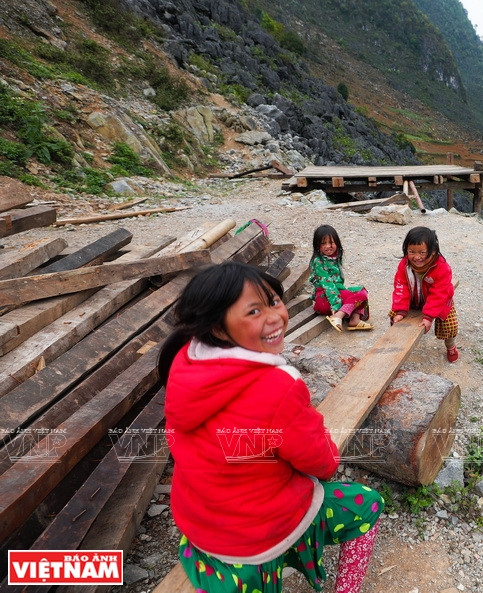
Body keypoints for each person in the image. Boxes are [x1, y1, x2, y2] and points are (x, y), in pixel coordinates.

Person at [158, 261, 383, 593]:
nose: (275, 316)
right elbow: (321, 463)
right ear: (219, 329)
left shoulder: (185, 361)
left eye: (273, 301)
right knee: (367, 504)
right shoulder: (278, 386)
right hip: (255, 537)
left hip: (199, 523)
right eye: (253, 312)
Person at [389, 226, 459, 362]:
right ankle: (397, 344)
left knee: (449, 324)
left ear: (433, 251)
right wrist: (400, 310)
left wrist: (428, 316)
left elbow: (439, 294)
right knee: (394, 316)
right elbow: (400, 287)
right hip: (414, 299)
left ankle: (450, 346)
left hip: (440, 300)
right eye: (411, 252)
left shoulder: (441, 267)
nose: (416, 257)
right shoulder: (404, 265)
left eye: (422, 252)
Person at [309, 225, 373, 332]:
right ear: (317, 246)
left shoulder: (335, 258)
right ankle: (338, 316)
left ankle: (354, 320)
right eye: (323, 243)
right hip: (325, 299)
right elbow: (328, 285)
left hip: (335, 294)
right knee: (359, 296)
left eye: (331, 242)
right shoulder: (318, 261)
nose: (328, 246)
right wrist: (335, 305)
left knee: (362, 290)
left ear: (337, 243)